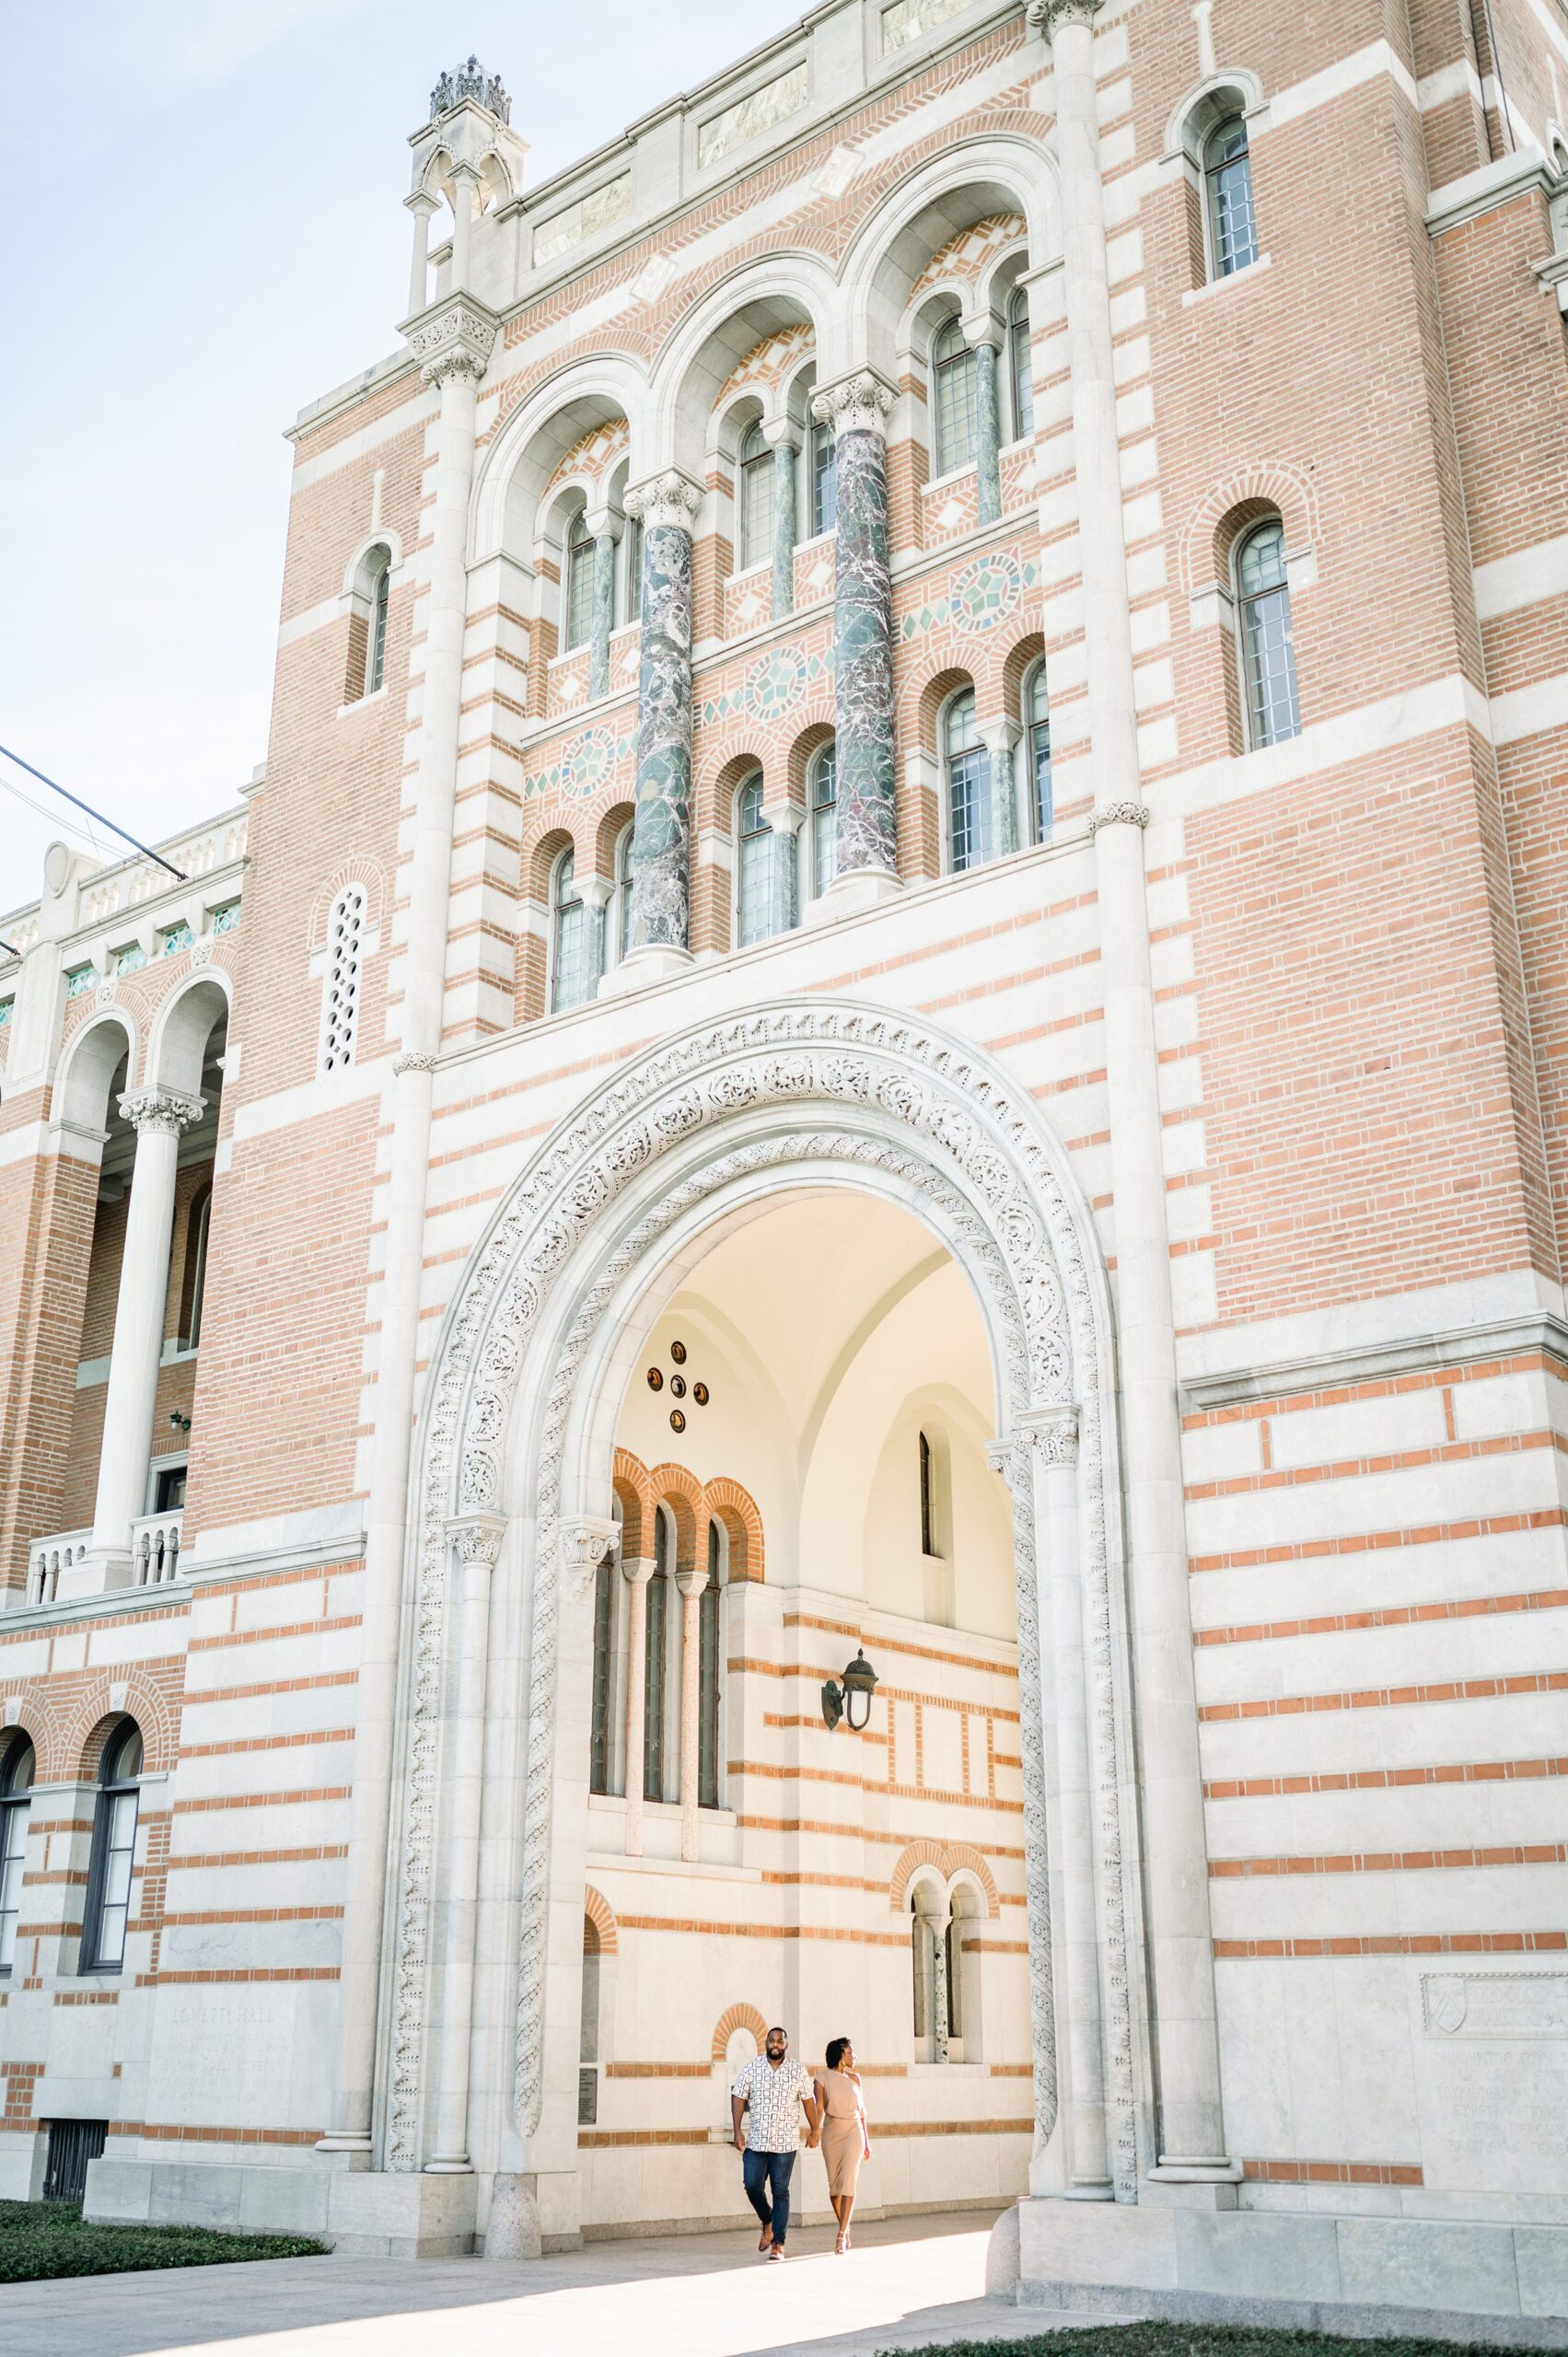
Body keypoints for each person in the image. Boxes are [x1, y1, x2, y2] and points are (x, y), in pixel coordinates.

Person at [730, 2025, 820, 2259]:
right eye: (772, 2040)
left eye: (780, 2041)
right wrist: (737, 2130)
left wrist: (815, 2130)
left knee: (780, 2190)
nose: (775, 2044)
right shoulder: (752, 2067)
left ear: (786, 2045)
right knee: (752, 2185)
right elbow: (738, 2096)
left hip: (785, 2143)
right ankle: (767, 2220)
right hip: (757, 2142)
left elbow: (808, 2101)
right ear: (766, 2043)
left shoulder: (798, 2071)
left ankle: (778, 2243)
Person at [814, 2035, 869, 2253]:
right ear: (839, 2055)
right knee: (835, 2188)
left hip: (854, 2131)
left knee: (848, 2181)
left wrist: (868, 2143)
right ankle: (845, 2227)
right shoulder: (821, 2078)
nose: (854, 2057)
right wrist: (814, 2132)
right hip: (832, 2131)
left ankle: (840, 2236)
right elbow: (819, 2108)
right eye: (850, 2053)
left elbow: (862, 2114)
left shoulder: (856, 2079)